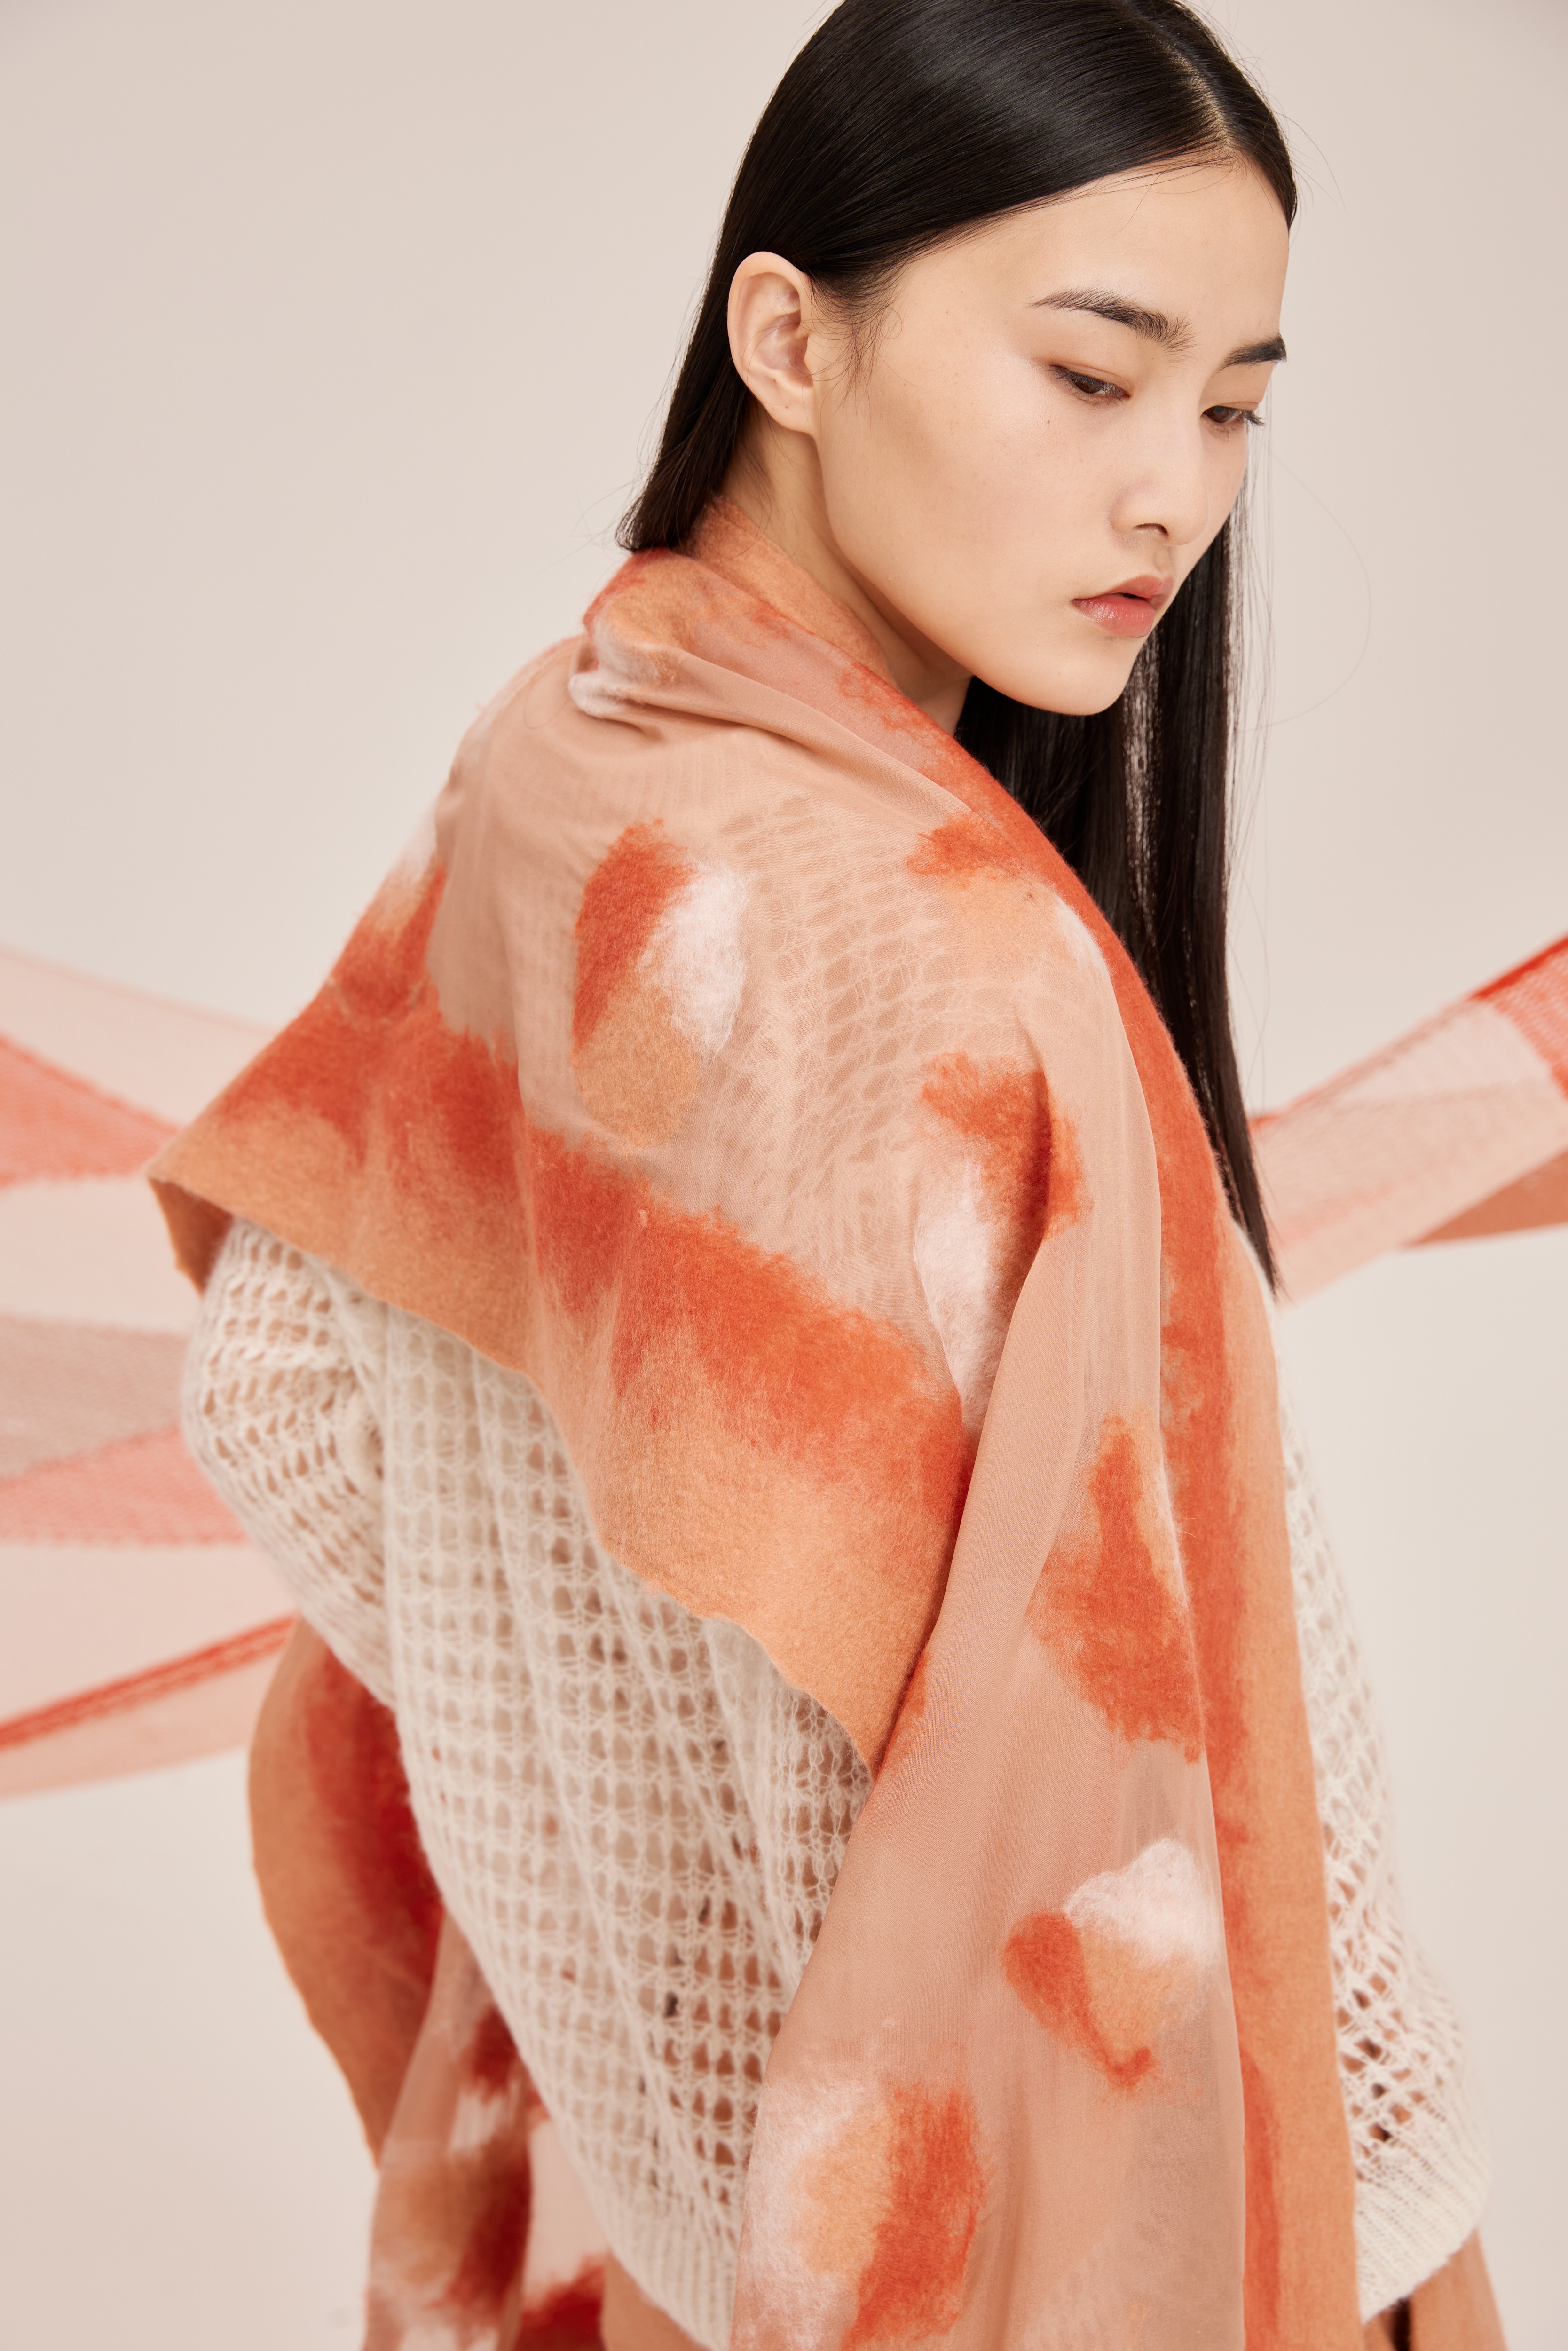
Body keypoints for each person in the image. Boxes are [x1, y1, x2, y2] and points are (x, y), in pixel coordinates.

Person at [152, 2, 1504, 2344]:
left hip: (701, 2229)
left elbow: (287, 1394)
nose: (1173, 495)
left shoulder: (562, 755)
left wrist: (616, 1899)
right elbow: (1126, 1782)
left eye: (1231, 406)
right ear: (786, 338)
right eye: (1091, 373)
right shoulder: (944, 961)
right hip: (1050, 2249)